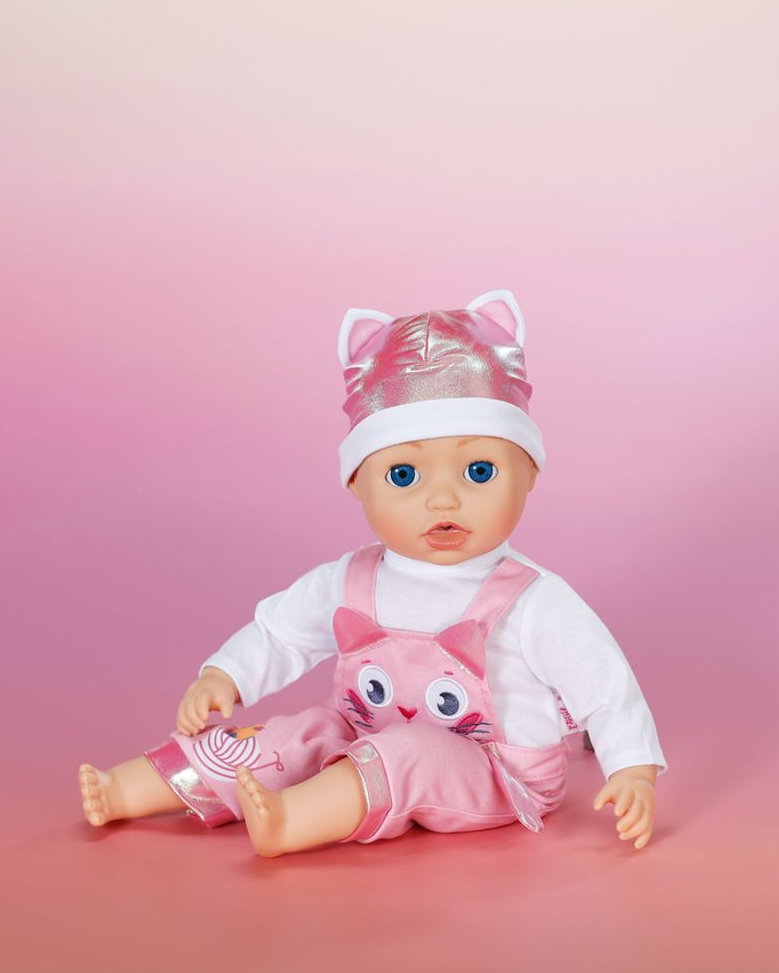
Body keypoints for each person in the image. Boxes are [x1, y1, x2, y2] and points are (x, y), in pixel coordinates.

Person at [78, 291, 667, 856]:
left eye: (479, 471)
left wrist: (632, 768)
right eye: (404, 476)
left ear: (530, 473)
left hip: (496, 772)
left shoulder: (533, 600)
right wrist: (225, 675)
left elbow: (604, 685)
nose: (443, 501)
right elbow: (281, 633)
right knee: (295, 735)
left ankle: (293, 819)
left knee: (408, 750)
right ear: (357, 483)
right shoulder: (351, 578)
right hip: (362, 736)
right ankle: (127, 790)